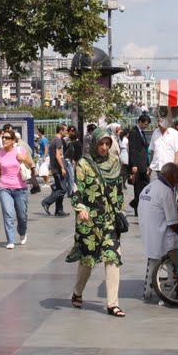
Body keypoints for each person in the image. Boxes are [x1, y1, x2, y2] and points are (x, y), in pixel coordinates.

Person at [67, 129, 127, 317]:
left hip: (109, 219)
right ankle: (77, 292)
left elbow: (118, 191)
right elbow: (76, 188)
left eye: (107, 143)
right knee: (88, 260)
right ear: (94, 144)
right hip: (89, 220)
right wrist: (80, 208)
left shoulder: (115, 163)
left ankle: (112, 304)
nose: (104, 147)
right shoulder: (84, 164)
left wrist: (120, 211)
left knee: (112, 257)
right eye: (101, 143)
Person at [139, 162, 178, 302]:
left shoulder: (148, 187)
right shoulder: (165, 191)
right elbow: (173, 222)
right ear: (172, 175)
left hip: (149, 236)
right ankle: (173, 289)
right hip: (162, 239)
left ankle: (149, 290)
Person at [0, 129, 34, 249]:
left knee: (22, 215)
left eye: (7, 138)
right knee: (8, 213)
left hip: (20, 188)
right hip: (4, 187)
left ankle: (22, 232)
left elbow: (30, 164)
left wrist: (23, 158)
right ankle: (10, 240)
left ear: (13, 140)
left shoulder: (20, 150)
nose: (4, 140)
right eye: (3, 138)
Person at [41, 124, 69, 217]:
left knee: (59, 189)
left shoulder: (54, 140)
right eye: (65, 130)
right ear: (61, 130)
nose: (66, 132)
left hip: (55, 168)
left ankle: (59, 210)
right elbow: (57, 155)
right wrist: (62, 167)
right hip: (58, 169)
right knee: (63, 189)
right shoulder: (58, 141)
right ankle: (46, 202)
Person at [127, 114, 152, 214]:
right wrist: (134, 165)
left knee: (145, 185)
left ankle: (135, 203)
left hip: (143, 164)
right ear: (140, 122)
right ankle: (137, 207)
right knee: (138, 187)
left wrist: (147, 164)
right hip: (137, 165)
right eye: (145, 124)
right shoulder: (134, 132)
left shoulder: (142, 133)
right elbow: (133, 149)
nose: (146, 126)